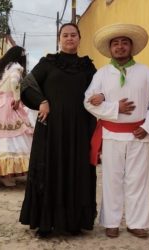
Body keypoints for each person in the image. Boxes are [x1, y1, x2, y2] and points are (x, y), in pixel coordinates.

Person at [84, 23, 149, 238]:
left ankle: (137, 222)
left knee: (137, 179)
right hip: (111, 135)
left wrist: (147, 127)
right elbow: (88, 102)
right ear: (110, 48)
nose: (120, 47)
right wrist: (114, 107)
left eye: (124, 43)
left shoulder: (145, 72)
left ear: (131, 47)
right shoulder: (101, 74)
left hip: (138, 135)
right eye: (116, 43)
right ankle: (111, 221)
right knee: (112, 179)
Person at [19, 23, 97, 237]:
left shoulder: (87, 67)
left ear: (80, 38)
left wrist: (102, 98)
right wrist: (41, 101)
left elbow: (100, 90)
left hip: (79, 130)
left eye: (73, 35)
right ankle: (46, 222)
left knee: (76, 169)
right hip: (51, 128)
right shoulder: (48, 63)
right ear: (59, 39)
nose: (70, 38)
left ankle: (73, 222)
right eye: (65, 35)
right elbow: (27, 84)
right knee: (48, 169)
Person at [0, 46, 33, 187]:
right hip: (8, 104)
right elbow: (14, 82)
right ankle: (7, 174)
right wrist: (17, 98)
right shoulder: (16, 67)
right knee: (11, 139)